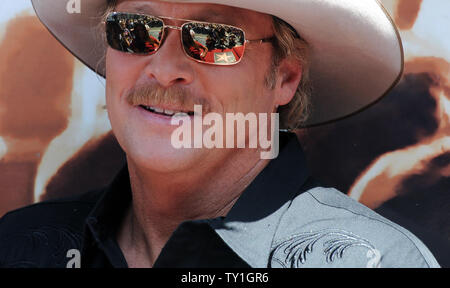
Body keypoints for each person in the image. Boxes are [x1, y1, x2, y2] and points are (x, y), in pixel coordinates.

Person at [0, 0, 441, 268]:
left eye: (213, 39)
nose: (165, 68)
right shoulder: (19, 246)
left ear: (284, 78)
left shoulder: (369, 260)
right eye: (135, 29)